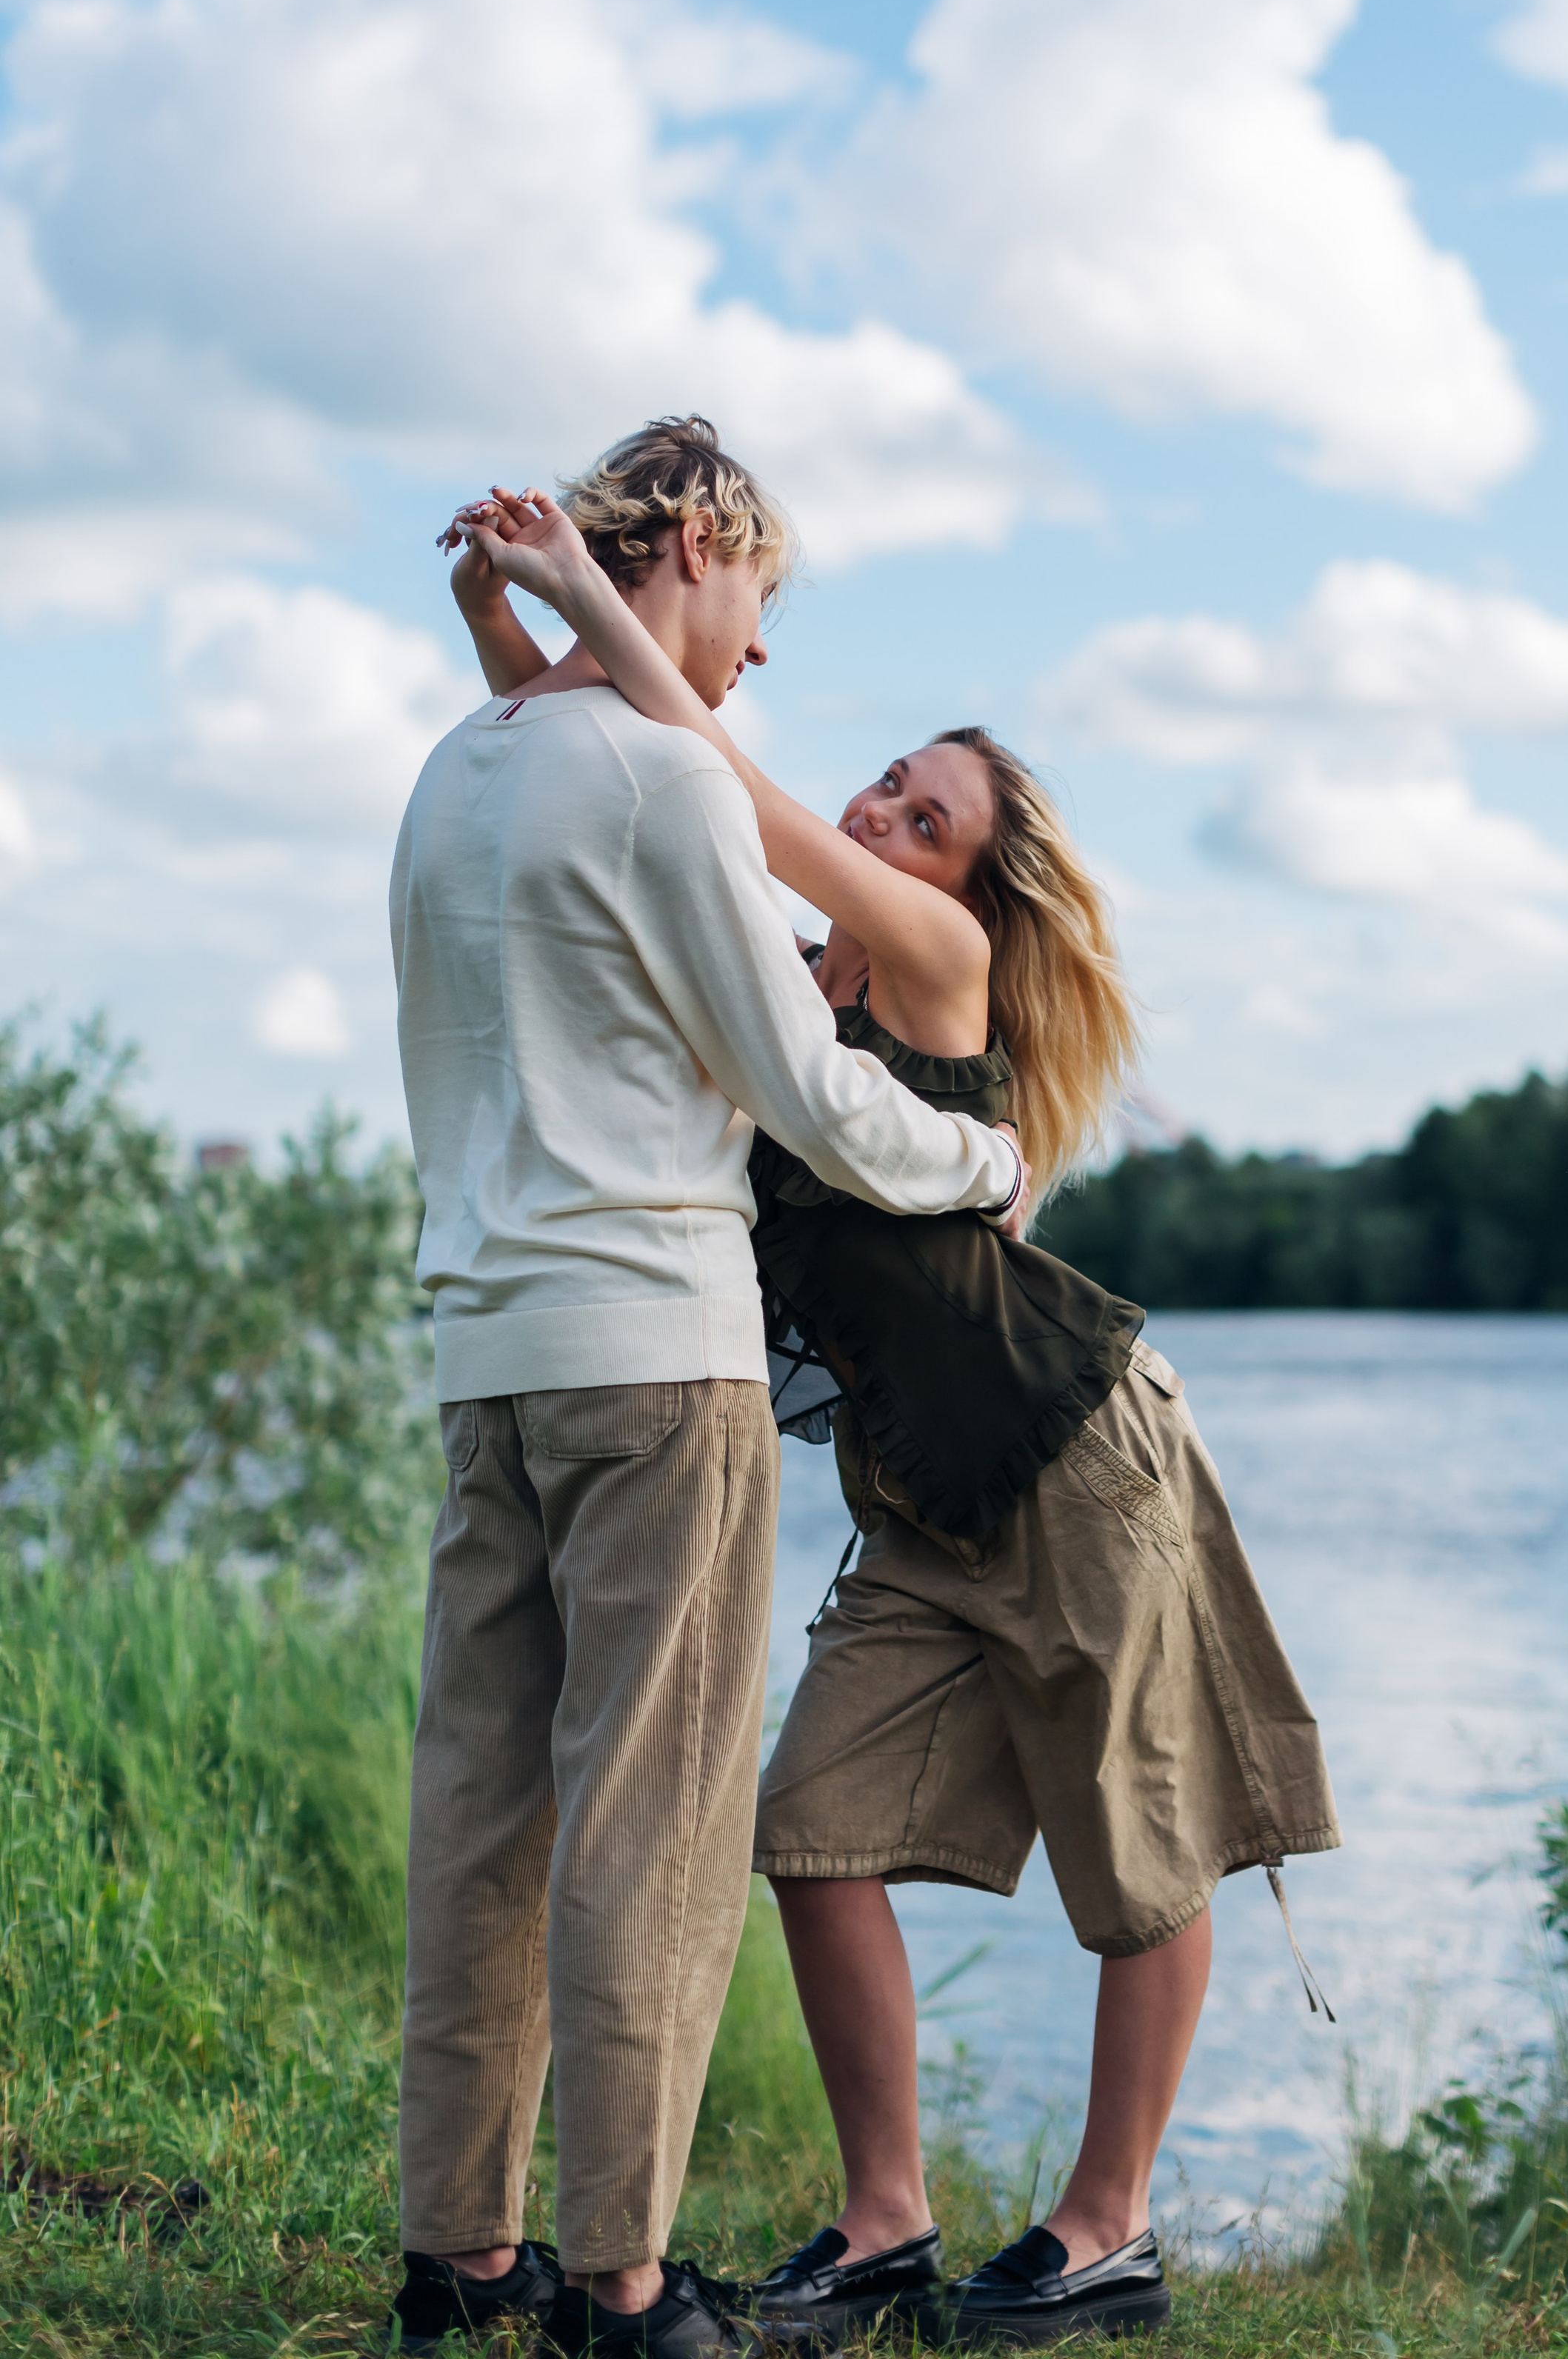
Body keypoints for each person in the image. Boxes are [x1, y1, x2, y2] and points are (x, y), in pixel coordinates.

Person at [448, 480, 1342, 2347]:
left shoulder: (942, 973)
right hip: (919, 1495)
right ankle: (884, 2222)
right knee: (810, 1832)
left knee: (1140, 1848)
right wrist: (494, 626)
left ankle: (1105, 2227)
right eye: (881, 786)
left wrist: (577, 587)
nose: (872, 815)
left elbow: (708, 773)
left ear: (965, 889)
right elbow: (599, 765)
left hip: (1079, 1458)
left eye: (922, 821)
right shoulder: (777, 992)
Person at [387, 419, 1027, 2359]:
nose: (758, 646)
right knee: (649, 1832)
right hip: (658, 1363)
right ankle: (622, 2287)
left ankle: (458, 2259)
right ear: (692, 542)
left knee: (480, 1809)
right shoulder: (664, 777)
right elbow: (809, 1095)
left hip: (487, 1362)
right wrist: (983, 1164)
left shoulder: (452, 771)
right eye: (761, 594)